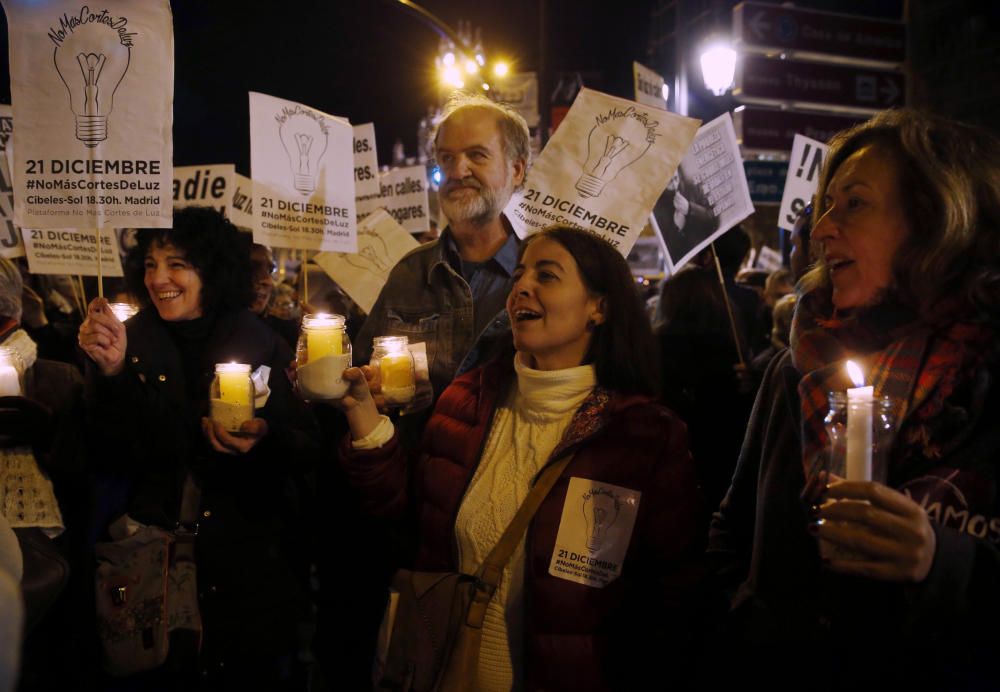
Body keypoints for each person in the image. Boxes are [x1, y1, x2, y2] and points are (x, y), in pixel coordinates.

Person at [338, 226, 703, 690]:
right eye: (519, 275)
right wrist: (361, 414)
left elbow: (670, 601)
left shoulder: (644, 437)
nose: (522, 287)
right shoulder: (465, 402)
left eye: (547, 276)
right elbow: (409, 522)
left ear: (600, 307)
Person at [708, 109, 1000, 688]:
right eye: (826, 205)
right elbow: (732, 533)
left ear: (935, 220)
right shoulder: (799, 370)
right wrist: (743, 627)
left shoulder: (990, 376)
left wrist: (942, 562)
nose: (820, 230)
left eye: (855, 204)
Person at [78, 207, 320, 689]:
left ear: (211, 270)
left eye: (177, 263)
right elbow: (108, 449)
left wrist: (264, 439)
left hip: (245, 562)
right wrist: (113, 376)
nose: (159, 278)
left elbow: (305, 448)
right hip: (153, 563)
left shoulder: (262, 342)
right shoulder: (128, 342)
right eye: (150, 263)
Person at [354, 93, 530, 401]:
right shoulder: (410, 272)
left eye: (477, 155)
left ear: (516, 170)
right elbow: (362, 374)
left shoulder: (538, 276)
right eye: (447, 158)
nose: (458, 171)